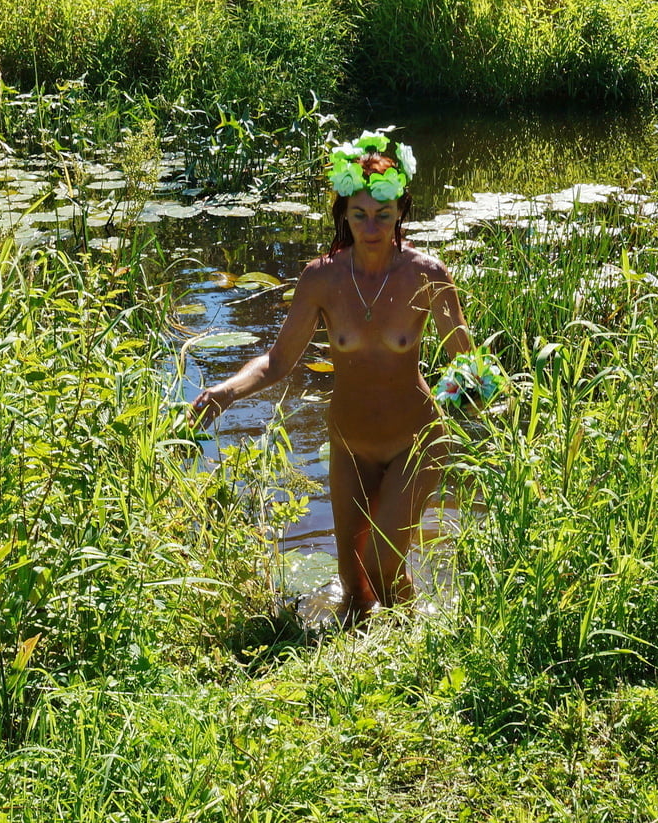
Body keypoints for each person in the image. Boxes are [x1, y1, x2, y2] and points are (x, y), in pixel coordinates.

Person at [192, 130, 474, 621]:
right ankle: (372, 646)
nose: (371, 227)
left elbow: (470, 366)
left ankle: (418, 642)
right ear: (343, 213)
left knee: (383, 564)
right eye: (359, 214)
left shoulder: (426, 274)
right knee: (355, 588)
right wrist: (226, 392)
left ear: (401, 212)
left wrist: (479, 414)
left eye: (383, 214)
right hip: (349, 446)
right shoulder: (321, 278)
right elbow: (278, 361)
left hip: (414, 443)